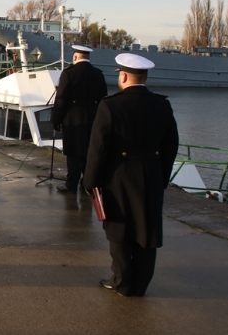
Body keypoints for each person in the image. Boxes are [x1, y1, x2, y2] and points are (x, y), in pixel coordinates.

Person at [84, 53, 179, 297]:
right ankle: (140, 284)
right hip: (151, 175)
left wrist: (91, 181)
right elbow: (171, 146)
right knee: (147, 229)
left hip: (119, 177)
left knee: (119, 229)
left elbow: (98, 148)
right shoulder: (162, 104)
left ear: (123, 75)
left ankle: (121, 281)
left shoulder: (110, 105)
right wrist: (162, 176)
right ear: (145, 78)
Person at [50, 45, 108, 192]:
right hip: (93, 119)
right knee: (89, 152)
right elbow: (103, 99)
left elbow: (61, 100)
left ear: (75, 57)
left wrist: (56, 120)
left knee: (73, 153)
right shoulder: (98, 74)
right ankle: (86, 183)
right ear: (88, 57)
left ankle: (71, 184)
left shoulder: (69, 73)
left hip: (73, 120)